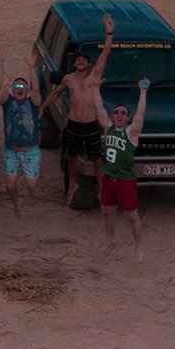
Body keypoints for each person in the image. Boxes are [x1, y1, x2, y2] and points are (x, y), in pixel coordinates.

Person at [52, 14, 116, 206]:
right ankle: (72, 184)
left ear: (89, 64)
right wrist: (41, 108)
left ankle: (102, 188)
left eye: (84, 60)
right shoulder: (69, 79)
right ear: (75, 63)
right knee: (71, 156)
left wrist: (109, 33)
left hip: (90, 124)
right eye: (77, 59)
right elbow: (55, 94)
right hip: (73, 123)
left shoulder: (94, 76)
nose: (80, 61)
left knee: (97, 160)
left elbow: (105, 53)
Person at [97, 78, 150, 263]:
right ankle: (109, 240)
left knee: (131, 216)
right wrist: (95, 89)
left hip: (126, 180)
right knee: (107, 210)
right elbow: (99, 110)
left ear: (127, 118)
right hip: (109, 179)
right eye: (116, 112)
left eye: (123, 113)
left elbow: (141, 115)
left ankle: (139, 247)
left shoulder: (131, 134)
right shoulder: (108, 128)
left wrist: (143, 93)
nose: (119, 115)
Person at [0, 48, 44, 219]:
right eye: (16, 86)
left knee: (31, 187)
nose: (19, 88)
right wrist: (0, 62)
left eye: (23, 86)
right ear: (13, 90)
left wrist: (32, 67)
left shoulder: (33, 103)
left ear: (27, 90)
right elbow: (0, 84)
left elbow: (37, 90)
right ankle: (17, 204)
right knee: (10, 186)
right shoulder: (7, 102)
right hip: (12, 151)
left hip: (30, 151)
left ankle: (28, 182)